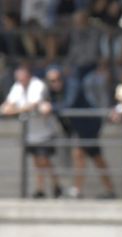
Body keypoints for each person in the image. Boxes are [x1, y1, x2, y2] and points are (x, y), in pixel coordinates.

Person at [43, 66, 116, 199]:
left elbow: (68, 104)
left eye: (58, 79)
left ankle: (77, 190)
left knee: (79, 154)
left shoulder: (72, 85)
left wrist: (51, 108)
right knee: (96, 158)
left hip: (89, 125)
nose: (55, 83)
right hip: (78, 128)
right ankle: (109, 189)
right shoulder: (52, 91)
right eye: (52, 81)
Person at [1, 64, 61, 198]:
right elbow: (7, 105)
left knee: (44, 160)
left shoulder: (38, 85)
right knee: (37, 162)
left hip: (45, 131)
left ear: (28, 76)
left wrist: (14, 110)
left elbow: (32, 105)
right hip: (30, 133)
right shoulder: (17, 86)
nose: (20, 80)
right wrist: (11, 108)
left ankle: (55, 185)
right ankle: (42, 189)